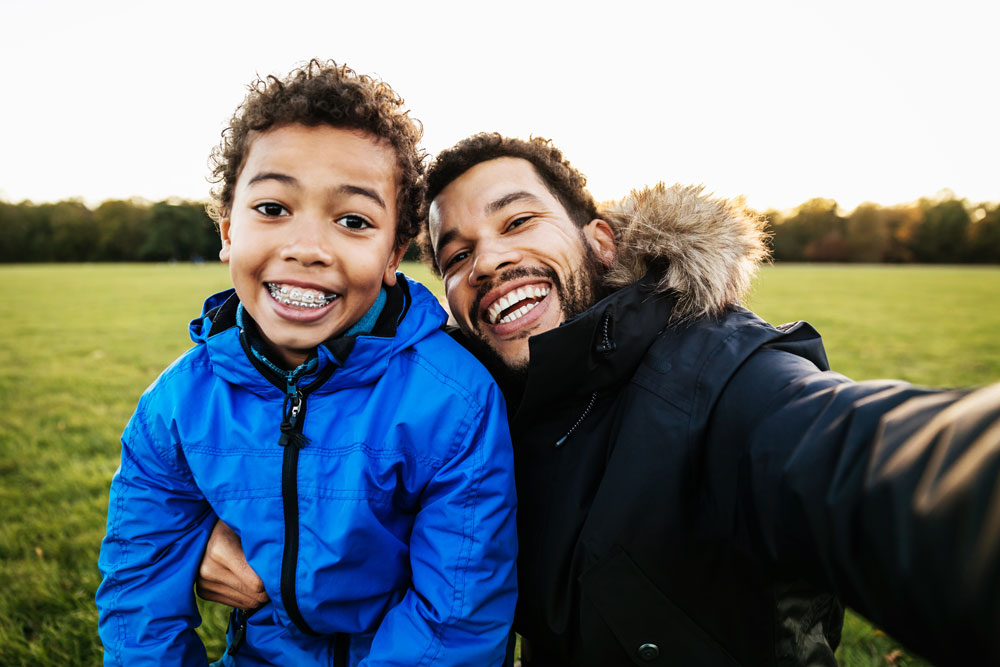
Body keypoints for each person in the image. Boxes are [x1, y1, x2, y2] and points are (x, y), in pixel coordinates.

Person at [199, 133, 1000, 666]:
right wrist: (227, 536)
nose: (492, 260)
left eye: (519, 221)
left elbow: (874, 461)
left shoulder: (724, 380)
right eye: (458, 253)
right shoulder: (483, 418)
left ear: (600, 240)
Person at [96, 64, 517, 666]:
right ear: (227, 232)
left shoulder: (455, 400)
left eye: (352, 221)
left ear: (394, 252)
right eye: (272, 208)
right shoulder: (176, 407)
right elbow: (139, 597)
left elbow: (455, 618)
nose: (308, 247)